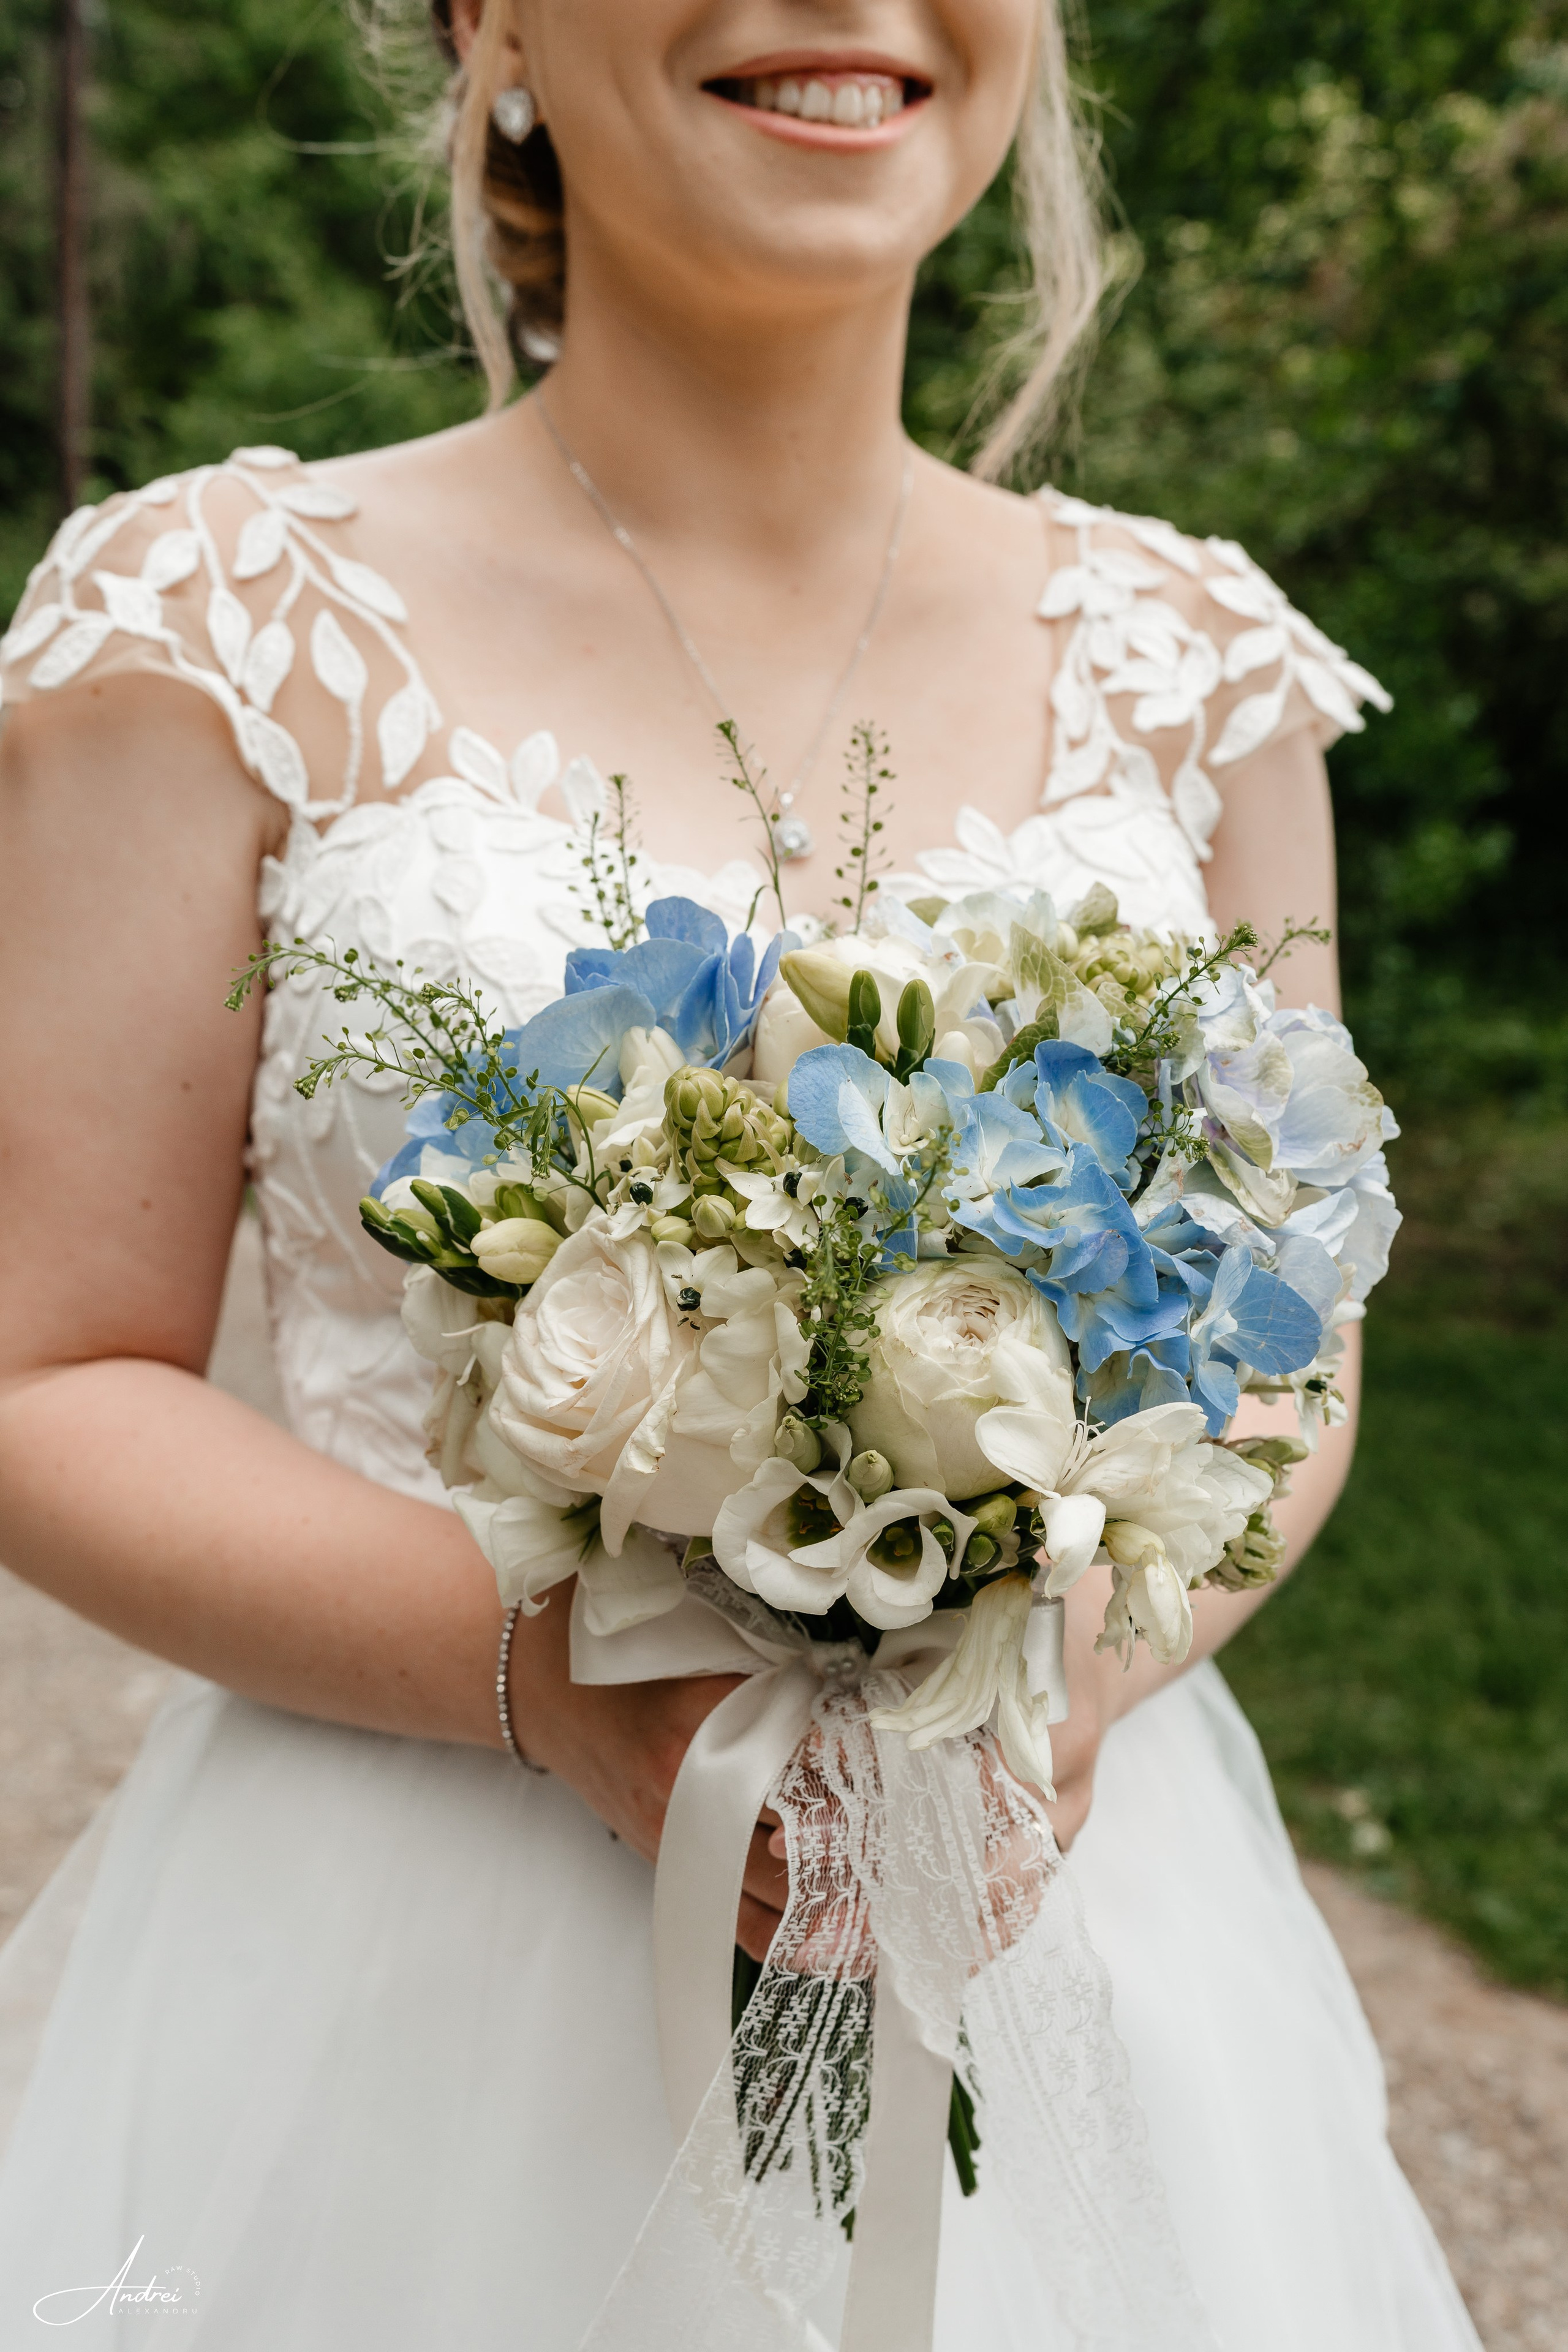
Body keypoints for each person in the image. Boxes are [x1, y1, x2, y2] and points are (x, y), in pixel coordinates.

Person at [0, 2, 1480, 2344]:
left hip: (1062, 1923)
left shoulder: (1199, 673)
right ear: (491, 28)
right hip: (401, 1968)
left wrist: (1077, 1670)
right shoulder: (205, 629)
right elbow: (47, 1371)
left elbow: (1299, 1351)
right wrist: (558, 1678)